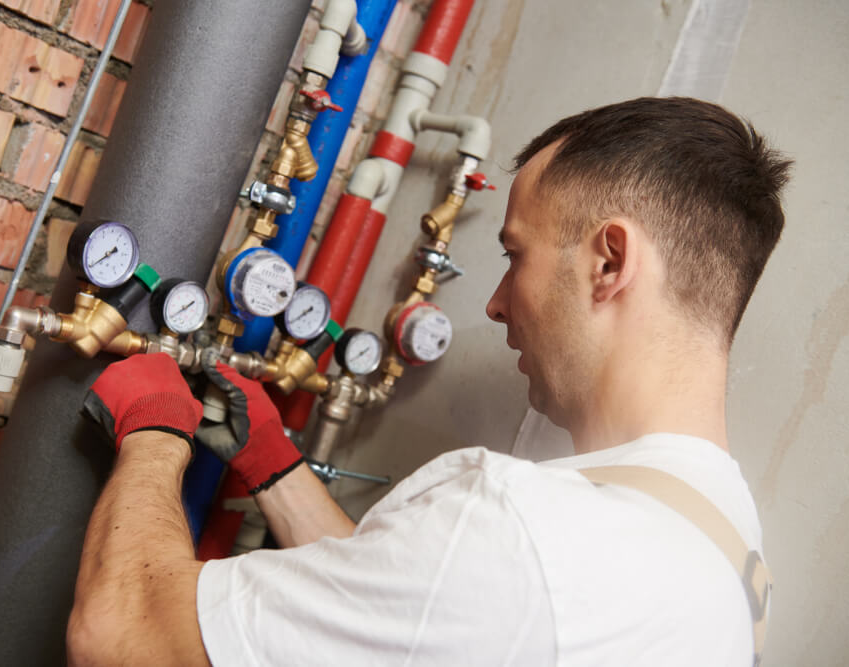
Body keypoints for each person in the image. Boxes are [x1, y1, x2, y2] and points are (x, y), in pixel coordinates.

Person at [66, 97, 790, 666]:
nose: (496, 303)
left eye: (516, 254)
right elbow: (413, 628)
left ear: (609, 263)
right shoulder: (727, 553)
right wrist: (273, 464)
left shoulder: (516, 527)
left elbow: (122, 634)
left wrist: (157, 430)